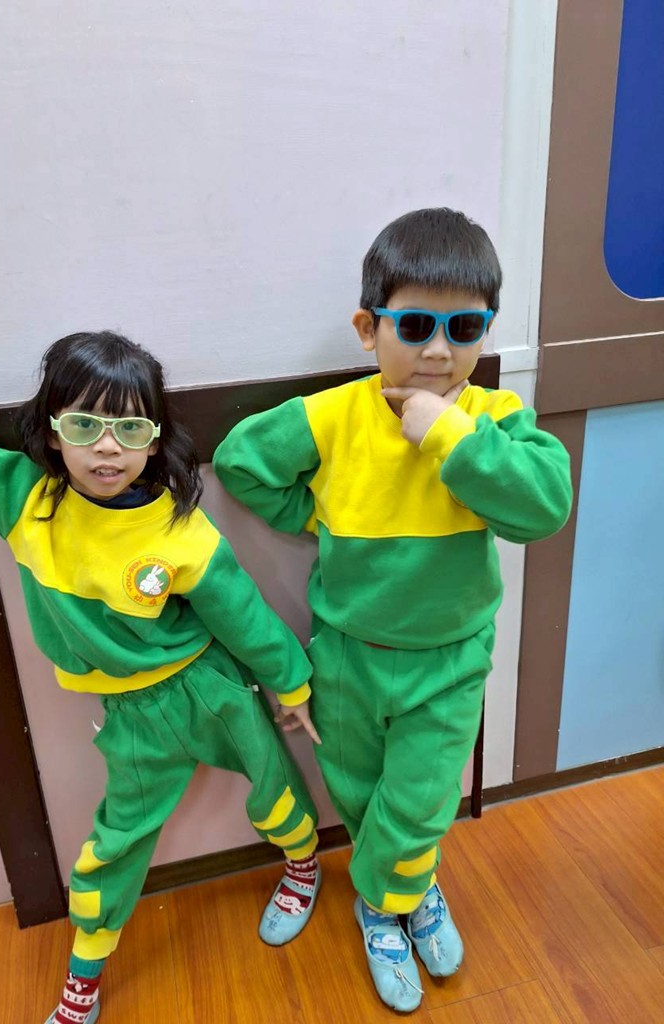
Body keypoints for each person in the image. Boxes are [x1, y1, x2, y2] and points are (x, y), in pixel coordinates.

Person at [0, 199, 322, 1024]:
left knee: (274, 783)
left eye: (129, 428)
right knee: (116, 843)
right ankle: (83, 982)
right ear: (53, 431)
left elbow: (241, 614)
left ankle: (303, 864)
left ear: (155, 438)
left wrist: (293, 684)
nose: (106, 445)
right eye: (85, 423)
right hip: (131, 717)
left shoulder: (177, 526)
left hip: (210, 687)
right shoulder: (25, 502)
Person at [214, 208, 573, 1013]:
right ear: (368, 328)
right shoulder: (334, 415)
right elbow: (240, 461)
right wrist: (317, 515)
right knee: (357, 787)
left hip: (450, 657)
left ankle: (384, 904)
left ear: (485, 332)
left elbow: (543, 508)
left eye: (463, 328)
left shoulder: (493, 421)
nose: (438, 350)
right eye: (414, 326)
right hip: (348, 653)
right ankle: (409, 882)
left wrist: (450, 436)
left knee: (420, 798)